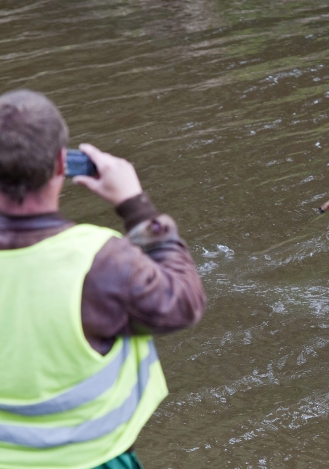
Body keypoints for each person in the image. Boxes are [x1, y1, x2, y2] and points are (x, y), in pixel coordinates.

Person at [0, 90, 206, 468]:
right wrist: (135, 204)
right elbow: (184, 303)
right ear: (63, 163)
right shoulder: (100, 259)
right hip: (95, 459)